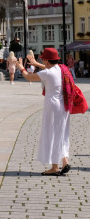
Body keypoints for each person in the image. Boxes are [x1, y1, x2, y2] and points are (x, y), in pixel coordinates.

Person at [17, 47, 71, 176]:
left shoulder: (47, 73)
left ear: (46, 60)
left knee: (52, 134)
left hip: (52, 106)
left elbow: (29, 77)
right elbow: (48, 69)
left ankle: (55, 167)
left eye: (43, 60)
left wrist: (21, 67)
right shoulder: (62, 68)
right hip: (63, 106)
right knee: (61, 133)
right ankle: (65, 162)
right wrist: (36, 64)